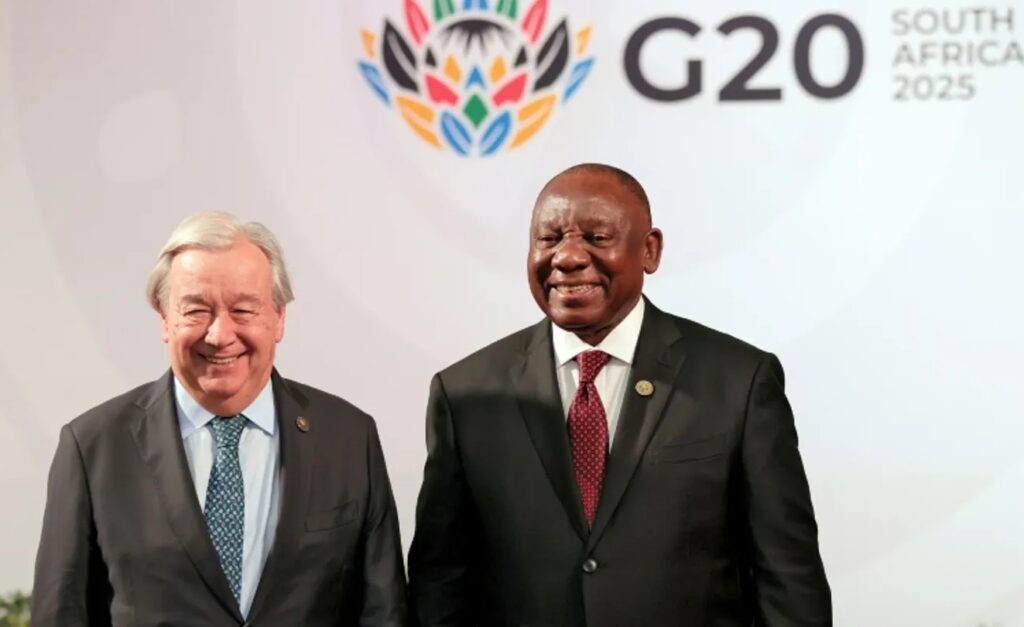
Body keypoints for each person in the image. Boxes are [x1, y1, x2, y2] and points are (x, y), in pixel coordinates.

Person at [408, 164, 831, 626]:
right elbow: (439, 582)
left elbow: (787, 577)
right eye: (549, 239)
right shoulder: (466, 393)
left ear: (649, 250)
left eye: (596, 237)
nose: (567, 257)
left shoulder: (739, 381)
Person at [33, 211, 407, 626]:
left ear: (279, 318)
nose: (219, 334)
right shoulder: (94, 448)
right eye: (196, 311)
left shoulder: (349, 439)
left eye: (244, 310)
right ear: (164, 318)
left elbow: (383, 613)